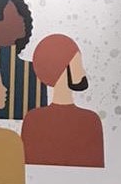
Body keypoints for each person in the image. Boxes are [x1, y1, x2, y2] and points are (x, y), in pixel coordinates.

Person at [21, 34, 104, 167]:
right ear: (63, 67)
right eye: (78, 63)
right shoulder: (90, 121)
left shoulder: (32, 119)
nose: (83, 71)